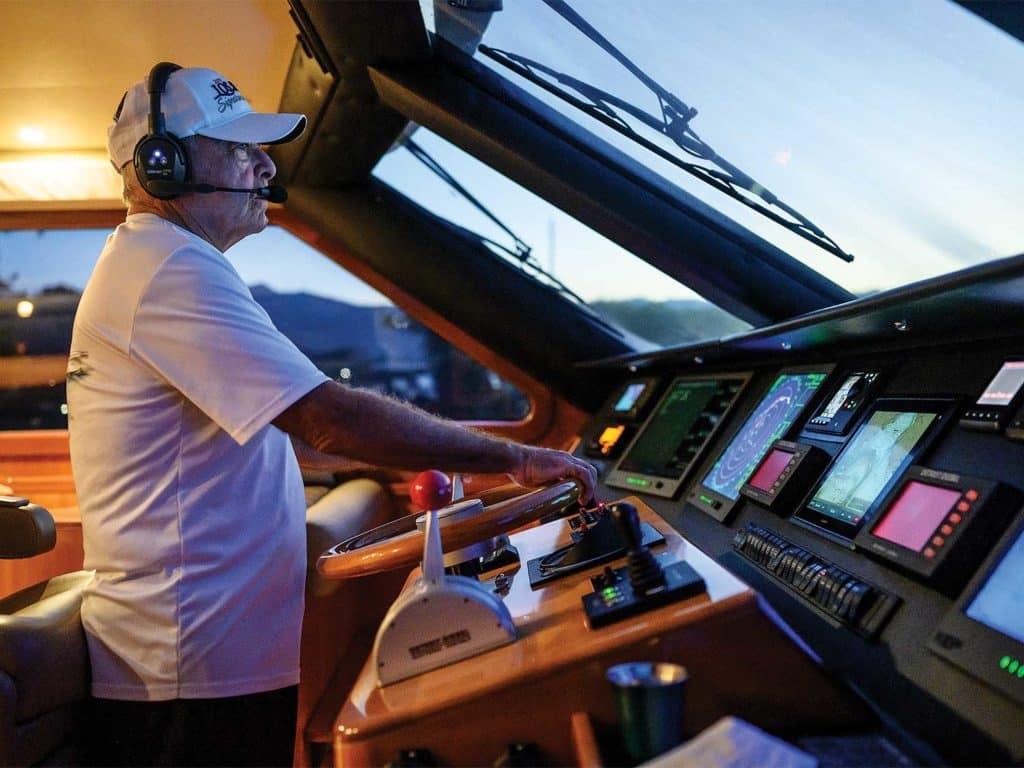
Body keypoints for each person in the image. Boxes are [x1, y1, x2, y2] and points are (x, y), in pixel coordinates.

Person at [66, 63, 596, 767]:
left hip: (201, 657)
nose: (263, 163)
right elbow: (326, 419)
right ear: (165, 165)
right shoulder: (165, 268)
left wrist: (419, 460)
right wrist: (516, 458)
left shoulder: (163, 263)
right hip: (185, 667)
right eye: (240, 147)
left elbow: (299, 439)